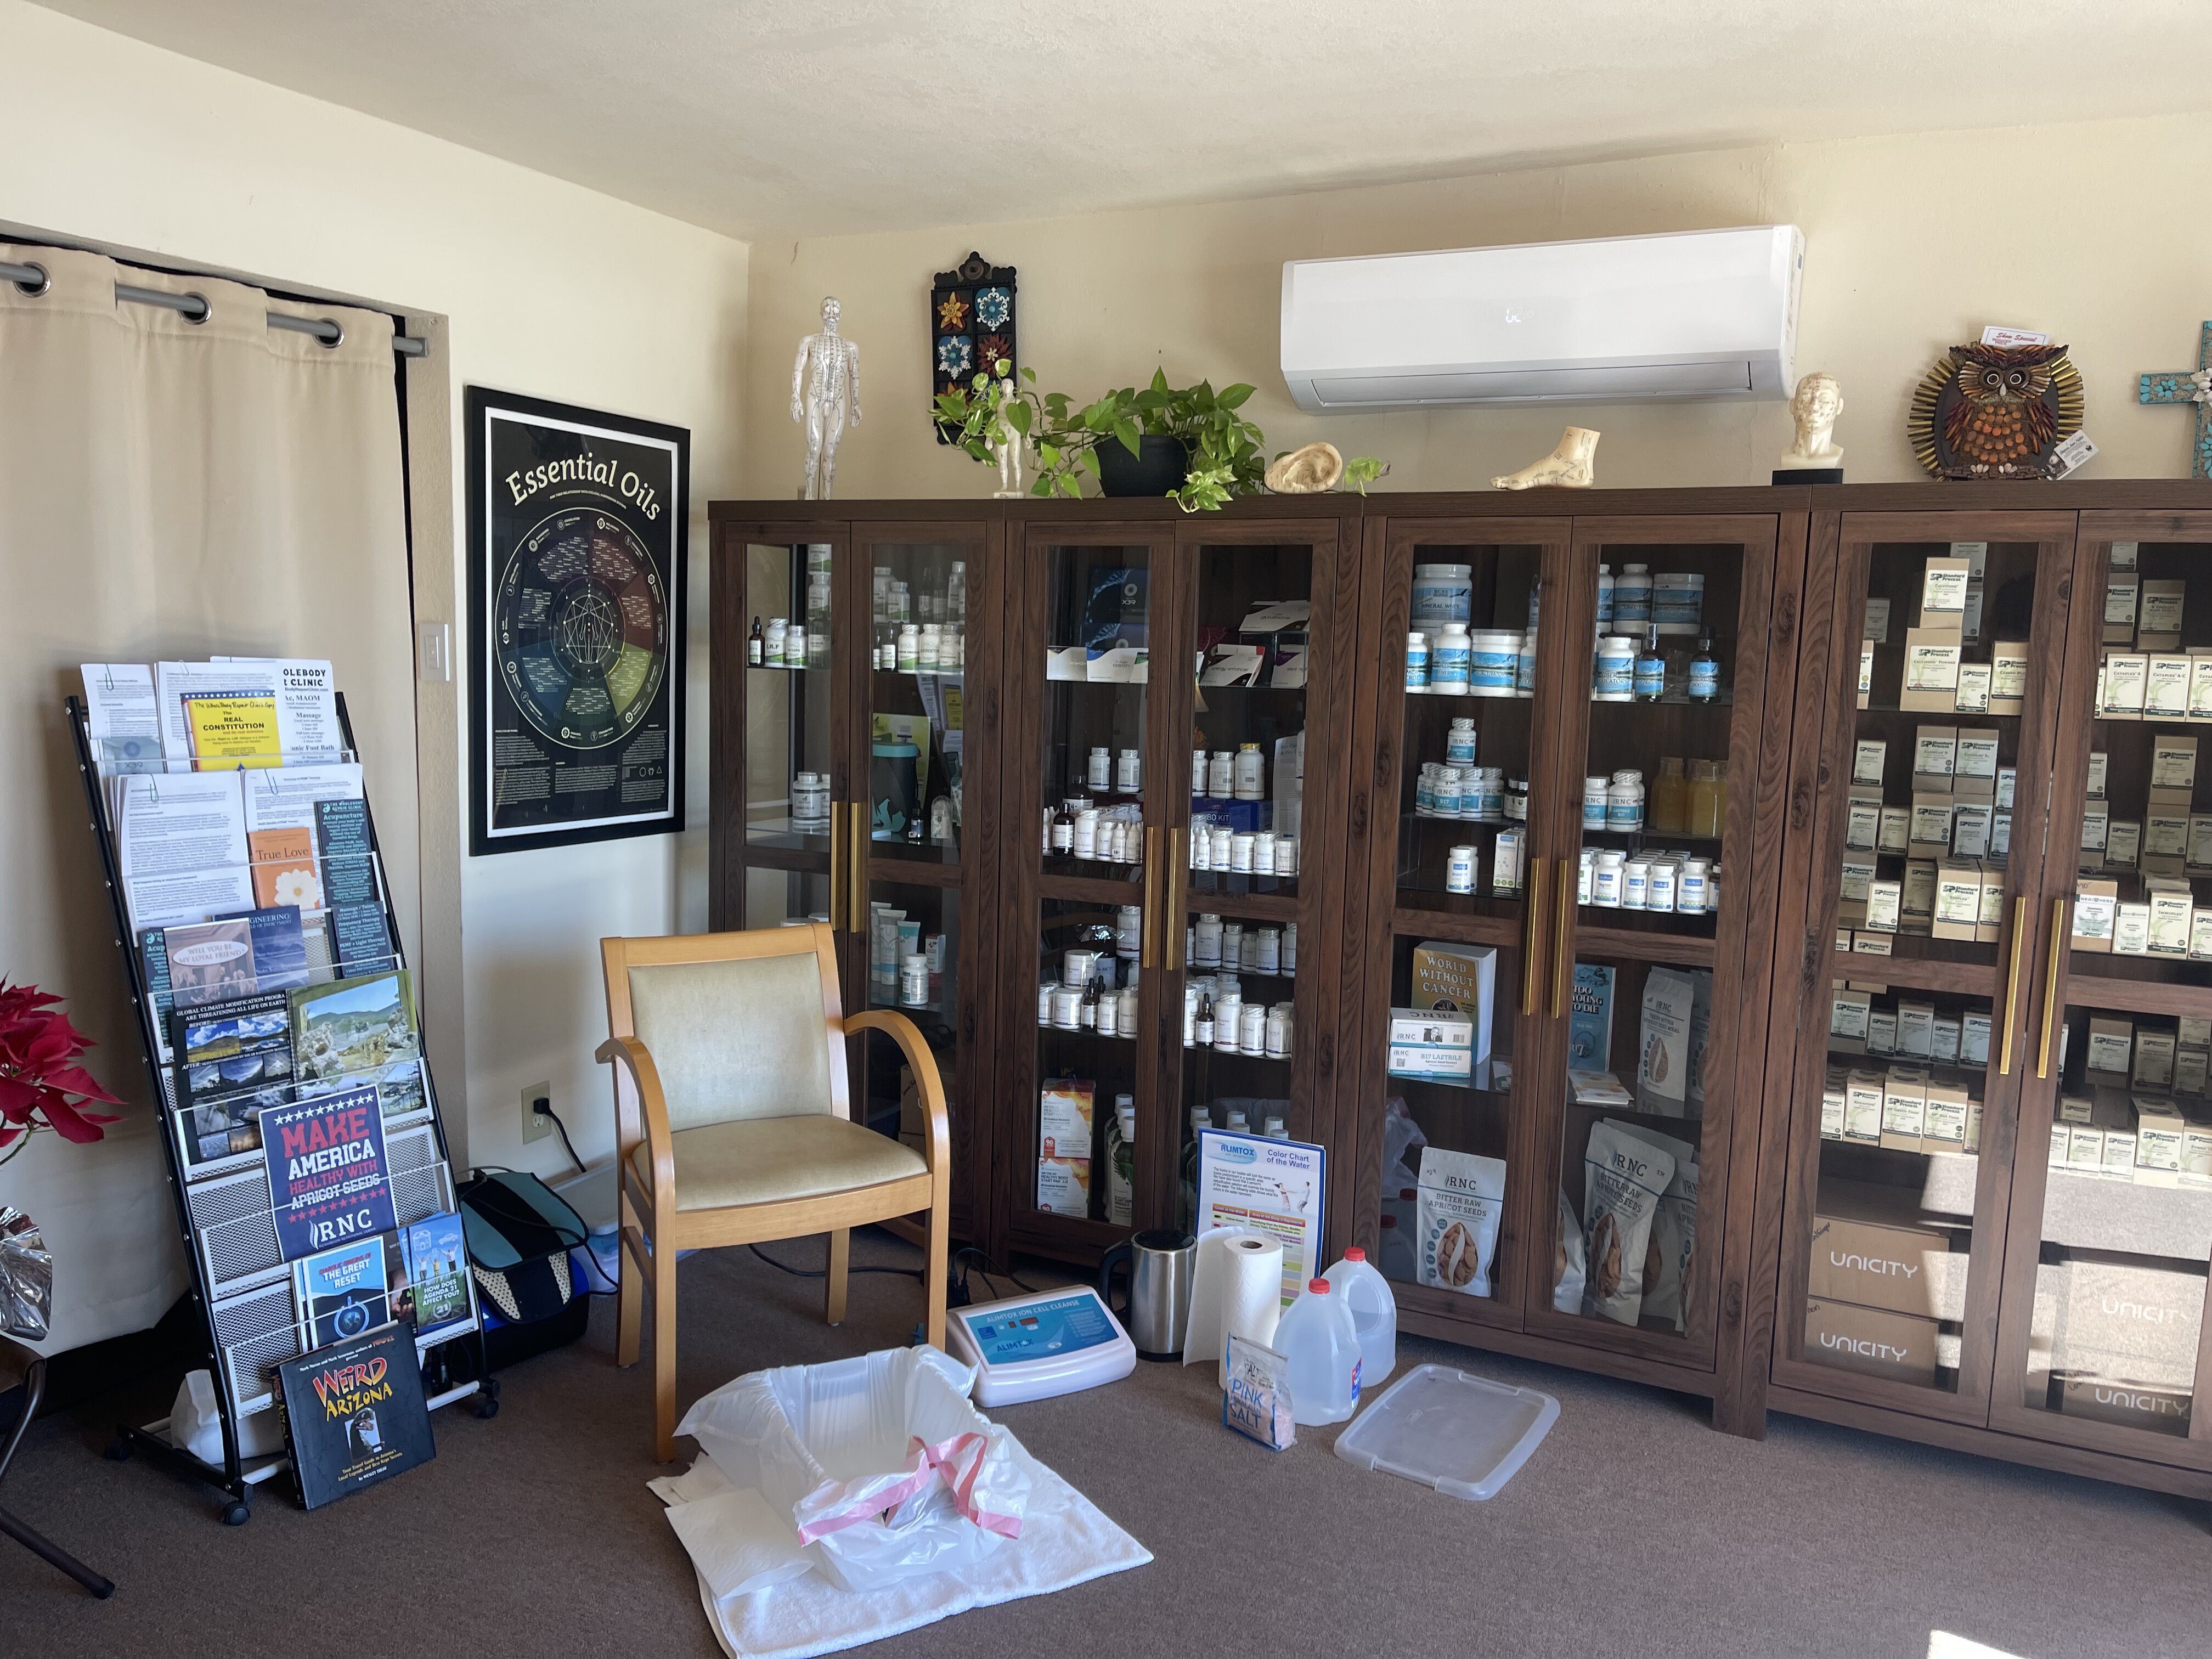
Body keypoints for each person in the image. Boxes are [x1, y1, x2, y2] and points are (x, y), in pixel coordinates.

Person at [791, 296, 861, 499]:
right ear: (821, 313)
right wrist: (795, 397)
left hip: (838, 400)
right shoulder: (809, 341)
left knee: (830, 452)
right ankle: (810, 496)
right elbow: (798, 369)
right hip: (815, 396)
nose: (831, 314)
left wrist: (855, 405)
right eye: (828, 310)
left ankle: (828, 498)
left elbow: (854, 376)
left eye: (835, 310)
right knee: (814, 448)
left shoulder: (850, 348)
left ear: (840, 314)